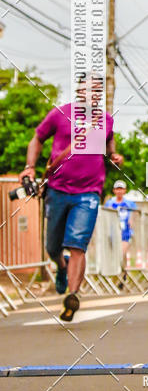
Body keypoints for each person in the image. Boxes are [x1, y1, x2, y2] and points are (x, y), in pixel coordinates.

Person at [19, 76, 123, 322]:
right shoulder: (60, 114)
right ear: (79, 91)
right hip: (57, 189)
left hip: (88, 192)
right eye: (89, 89)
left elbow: (110, 148)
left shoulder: (106, 120)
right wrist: (30, 167)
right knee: (53, 246)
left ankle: (72, 295)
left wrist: (115, 157)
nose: (94, 94)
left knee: (77, 245)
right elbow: (37, 138)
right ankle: (60, 267)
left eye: (98, 90)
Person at [104, 180, 136, 287]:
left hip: (125, 234)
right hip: (113, 234)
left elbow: (133, 216)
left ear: (125, 190)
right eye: (117, 188)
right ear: (114, 190)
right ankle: (119, 275)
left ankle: (123, 275)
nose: (119, 191)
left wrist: (131, 222)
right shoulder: (110, 203)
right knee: (115, 256)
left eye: (121, 188)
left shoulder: (129, 203)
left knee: (121, 253)